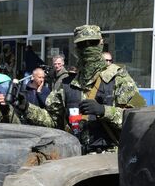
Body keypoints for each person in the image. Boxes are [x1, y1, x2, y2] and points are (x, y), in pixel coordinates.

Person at [16, 25, 146, 153]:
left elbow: (137, 121)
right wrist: (27, 108)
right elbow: (53, 121)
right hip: (75, 157)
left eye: (92, 43)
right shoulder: (67, 84)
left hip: (110, 158)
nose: (88, 47)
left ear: (101, 44)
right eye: (82, 44)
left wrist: (104, 111)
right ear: (76, 48)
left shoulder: (118, 78)